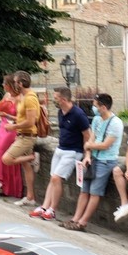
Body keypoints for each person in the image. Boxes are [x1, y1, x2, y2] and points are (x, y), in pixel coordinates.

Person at [62, 93, 122, 232]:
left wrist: (89, 146)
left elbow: (106, 145)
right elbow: (91, 139)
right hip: (93, 159)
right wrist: (87, 155)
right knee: (84, 190)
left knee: (95, 192)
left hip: (106, 161)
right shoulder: (96, 120)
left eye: (96, 106)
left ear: (104, 107)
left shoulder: (115, 123)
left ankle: (83, 222)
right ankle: (75, 219)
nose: (93, 108)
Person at [33, 87, 91, 220]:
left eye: (56, 98)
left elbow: (87, 135)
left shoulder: (78, 114)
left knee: (56, 178)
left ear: (64, 99)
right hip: (60, 148)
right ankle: (44, 207)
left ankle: (52, 209)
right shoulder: (61, 112)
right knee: (52, 177)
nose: (54, 100)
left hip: (73, 151)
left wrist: (86, 154)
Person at [1, 71, 39, 206]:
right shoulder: (24, 96)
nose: (14, 84)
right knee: (26, 167)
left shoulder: (30, 98)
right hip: (23, 135)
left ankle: (33, 157)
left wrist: (14, 126)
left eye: (16, 82)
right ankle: (30, 197)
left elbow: (31, 121)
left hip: (27, 137)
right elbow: (24, 117)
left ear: (21, 83)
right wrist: (10, 117)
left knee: (7, 159)